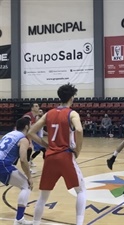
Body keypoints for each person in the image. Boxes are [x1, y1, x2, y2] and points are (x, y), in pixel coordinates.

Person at [27, 83, 86, 225]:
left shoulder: (48, 114)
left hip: (50, 158)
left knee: (43, 196)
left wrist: (47, 145)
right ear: (72, 98)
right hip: (65, 155)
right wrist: (77, 149)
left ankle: (35, 222)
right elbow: (78, 130)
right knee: (81, 191)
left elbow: (30, 132)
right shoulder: (72, 113)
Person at [0, 118, 33, 225]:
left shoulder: (9, 134)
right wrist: (30, 177)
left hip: (2, 162)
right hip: (3, 164)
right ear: (27, 127)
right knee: (26, 185)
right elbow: (23, 160)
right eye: (30, 124)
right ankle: (19, 219)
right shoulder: (23, 139)